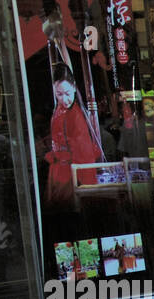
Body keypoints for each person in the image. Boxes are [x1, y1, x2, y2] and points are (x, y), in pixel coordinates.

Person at [44, 66, 103, 208]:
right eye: (59, 94)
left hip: (71, 174)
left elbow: (84, 154)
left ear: (75, 88)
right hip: (60, 170)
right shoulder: (58, 110)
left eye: (67, 93)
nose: (64, 99)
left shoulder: (75, 115)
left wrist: (85, 186)